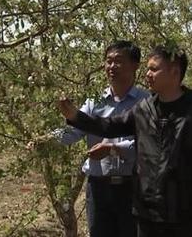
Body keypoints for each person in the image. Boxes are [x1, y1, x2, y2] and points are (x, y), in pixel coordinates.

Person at [58, 45, 192, 237]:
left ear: (174, 72)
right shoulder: (145, 109)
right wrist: (75, 116)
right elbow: (110, 126)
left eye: (154, 69)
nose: (147, 74)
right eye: (147, 69)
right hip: (146, 214)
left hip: (183, 214)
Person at [53, 40, 149, 237]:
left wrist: (114, 149)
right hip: (98, 189)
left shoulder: (147, 102)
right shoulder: (94, 101)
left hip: (133, 188)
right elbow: (75, 131)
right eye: (108, 61)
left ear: (135, 65)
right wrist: (46, 139)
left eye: (119, 61)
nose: (112, 67)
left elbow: (148, 143)